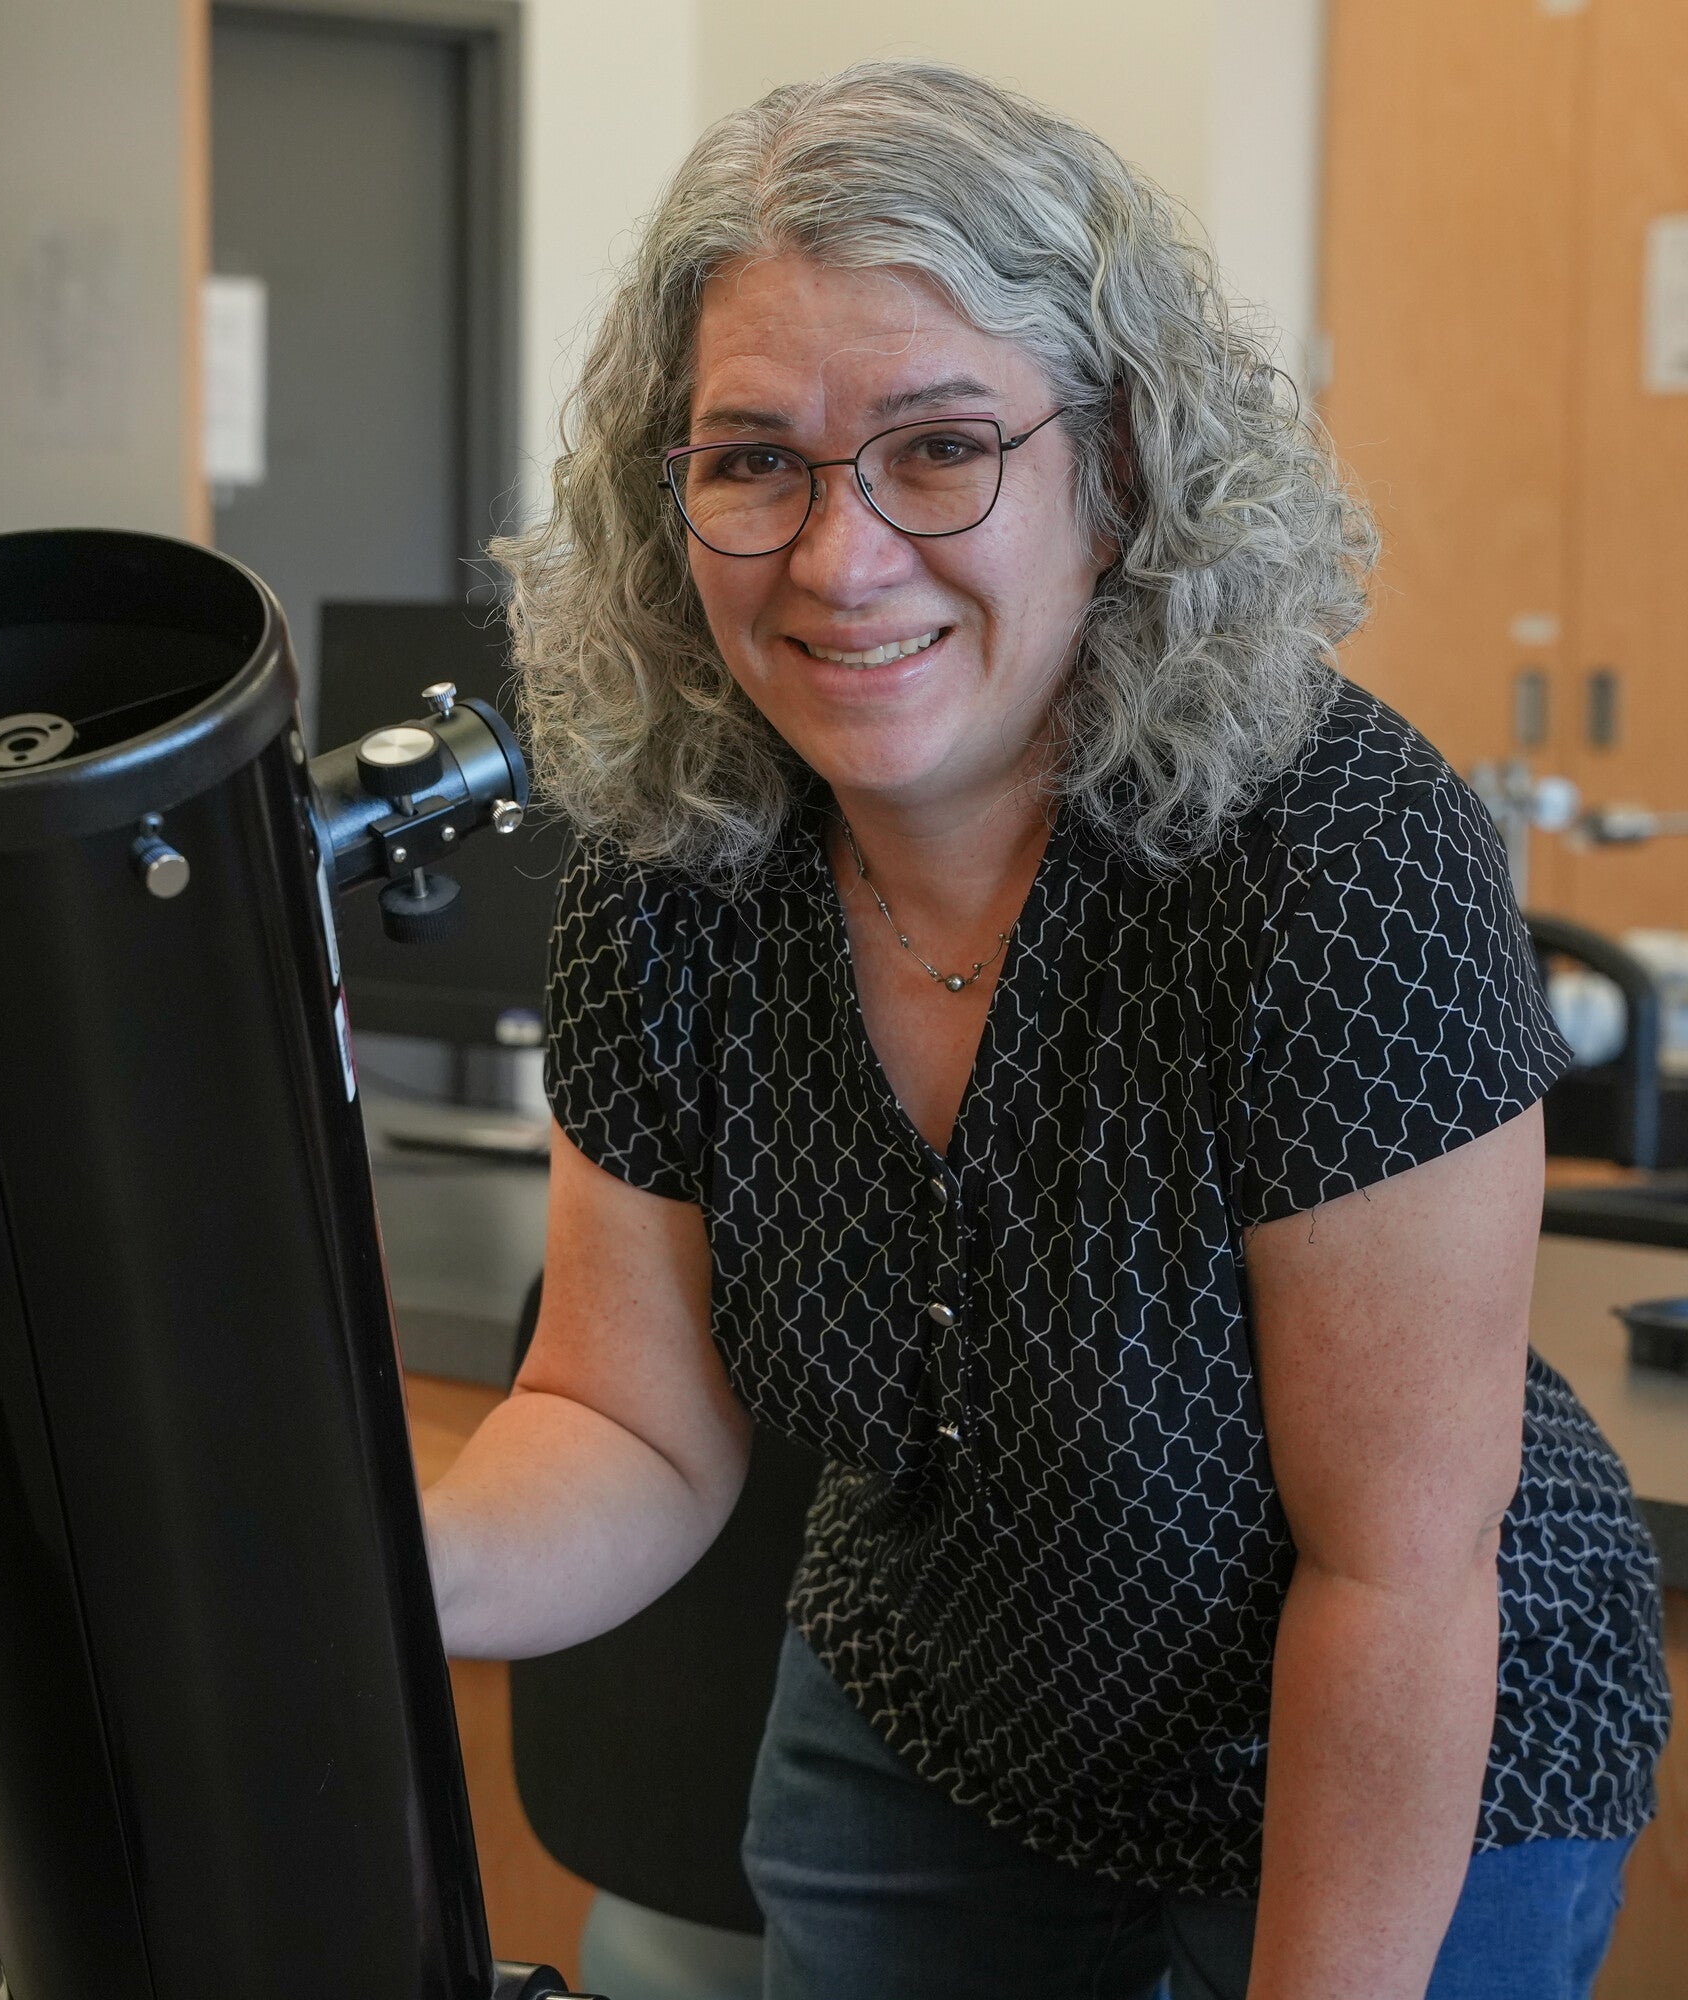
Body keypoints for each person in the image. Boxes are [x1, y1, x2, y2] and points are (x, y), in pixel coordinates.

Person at [425, 61, 1669, 2000]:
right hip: (945, 1716)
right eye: (752, 461)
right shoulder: (678, 857)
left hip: (1394, 1724)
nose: (837, 556)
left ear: (1117, 468)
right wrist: (365, 1565)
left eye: (939, 449)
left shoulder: (1332, 852)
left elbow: (1396, 1569)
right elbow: (626, 1422)